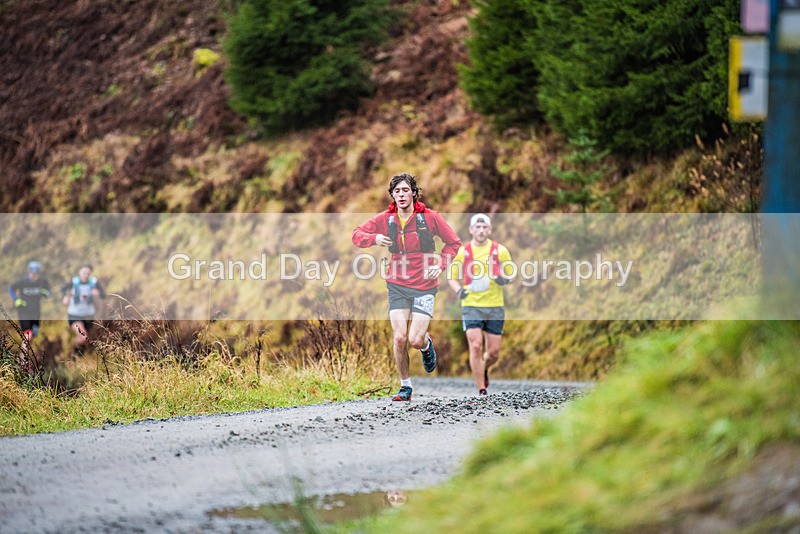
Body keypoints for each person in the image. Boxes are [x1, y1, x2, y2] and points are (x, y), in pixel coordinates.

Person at [353, 173, 461, 401]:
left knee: (414, 339)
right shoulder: (386, 218)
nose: (401, 195)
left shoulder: (430, 218)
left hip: (424, 285)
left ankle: (425, 344)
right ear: (392, 195)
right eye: (397, 191)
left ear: (413, 192)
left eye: (405, 190)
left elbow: (454, 243)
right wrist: (374, 239)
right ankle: (405, 386)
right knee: (400, 337)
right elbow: (357, 234)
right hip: (397, 284)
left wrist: (441, 264)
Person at [448, 214, 513, 395]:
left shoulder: (500, 251)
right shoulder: (463, 252)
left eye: (484, 227)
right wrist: (459, 291)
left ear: (490, 230)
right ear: (471, 230)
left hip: (494, 306)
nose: (481, 230)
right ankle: (481, 390)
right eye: (477, 227)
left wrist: (503, 280)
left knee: (493, 353)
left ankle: (484, 367)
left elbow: (511, 274)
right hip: (471, 306)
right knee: (475, 345)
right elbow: (451, 276)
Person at [61, 263, 106, 352]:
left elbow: (103, 295)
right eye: (84, 273)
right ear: (79, 272)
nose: (86, 275)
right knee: (83, 336)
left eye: (88, 273)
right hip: (74, 315)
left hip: (88, 315)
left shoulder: (94, 282)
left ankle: (78, 357)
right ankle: (73, 353)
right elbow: (63, 289)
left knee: (86, 339)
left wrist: (98, 293)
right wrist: (65, 297)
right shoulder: (73, 282)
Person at [7, 261, 51, 343]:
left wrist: (45, 293)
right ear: (28, 272)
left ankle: (27, 353)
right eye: (32, 273)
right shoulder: (22, 282)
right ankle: (23, 355)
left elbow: (48, 293)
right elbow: (10, 289)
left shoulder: (42, 282)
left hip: (36, 312)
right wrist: (16, 299)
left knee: (33, 335)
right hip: (24, 312)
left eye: (36, 274)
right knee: (28, 335)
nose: (34, 276)